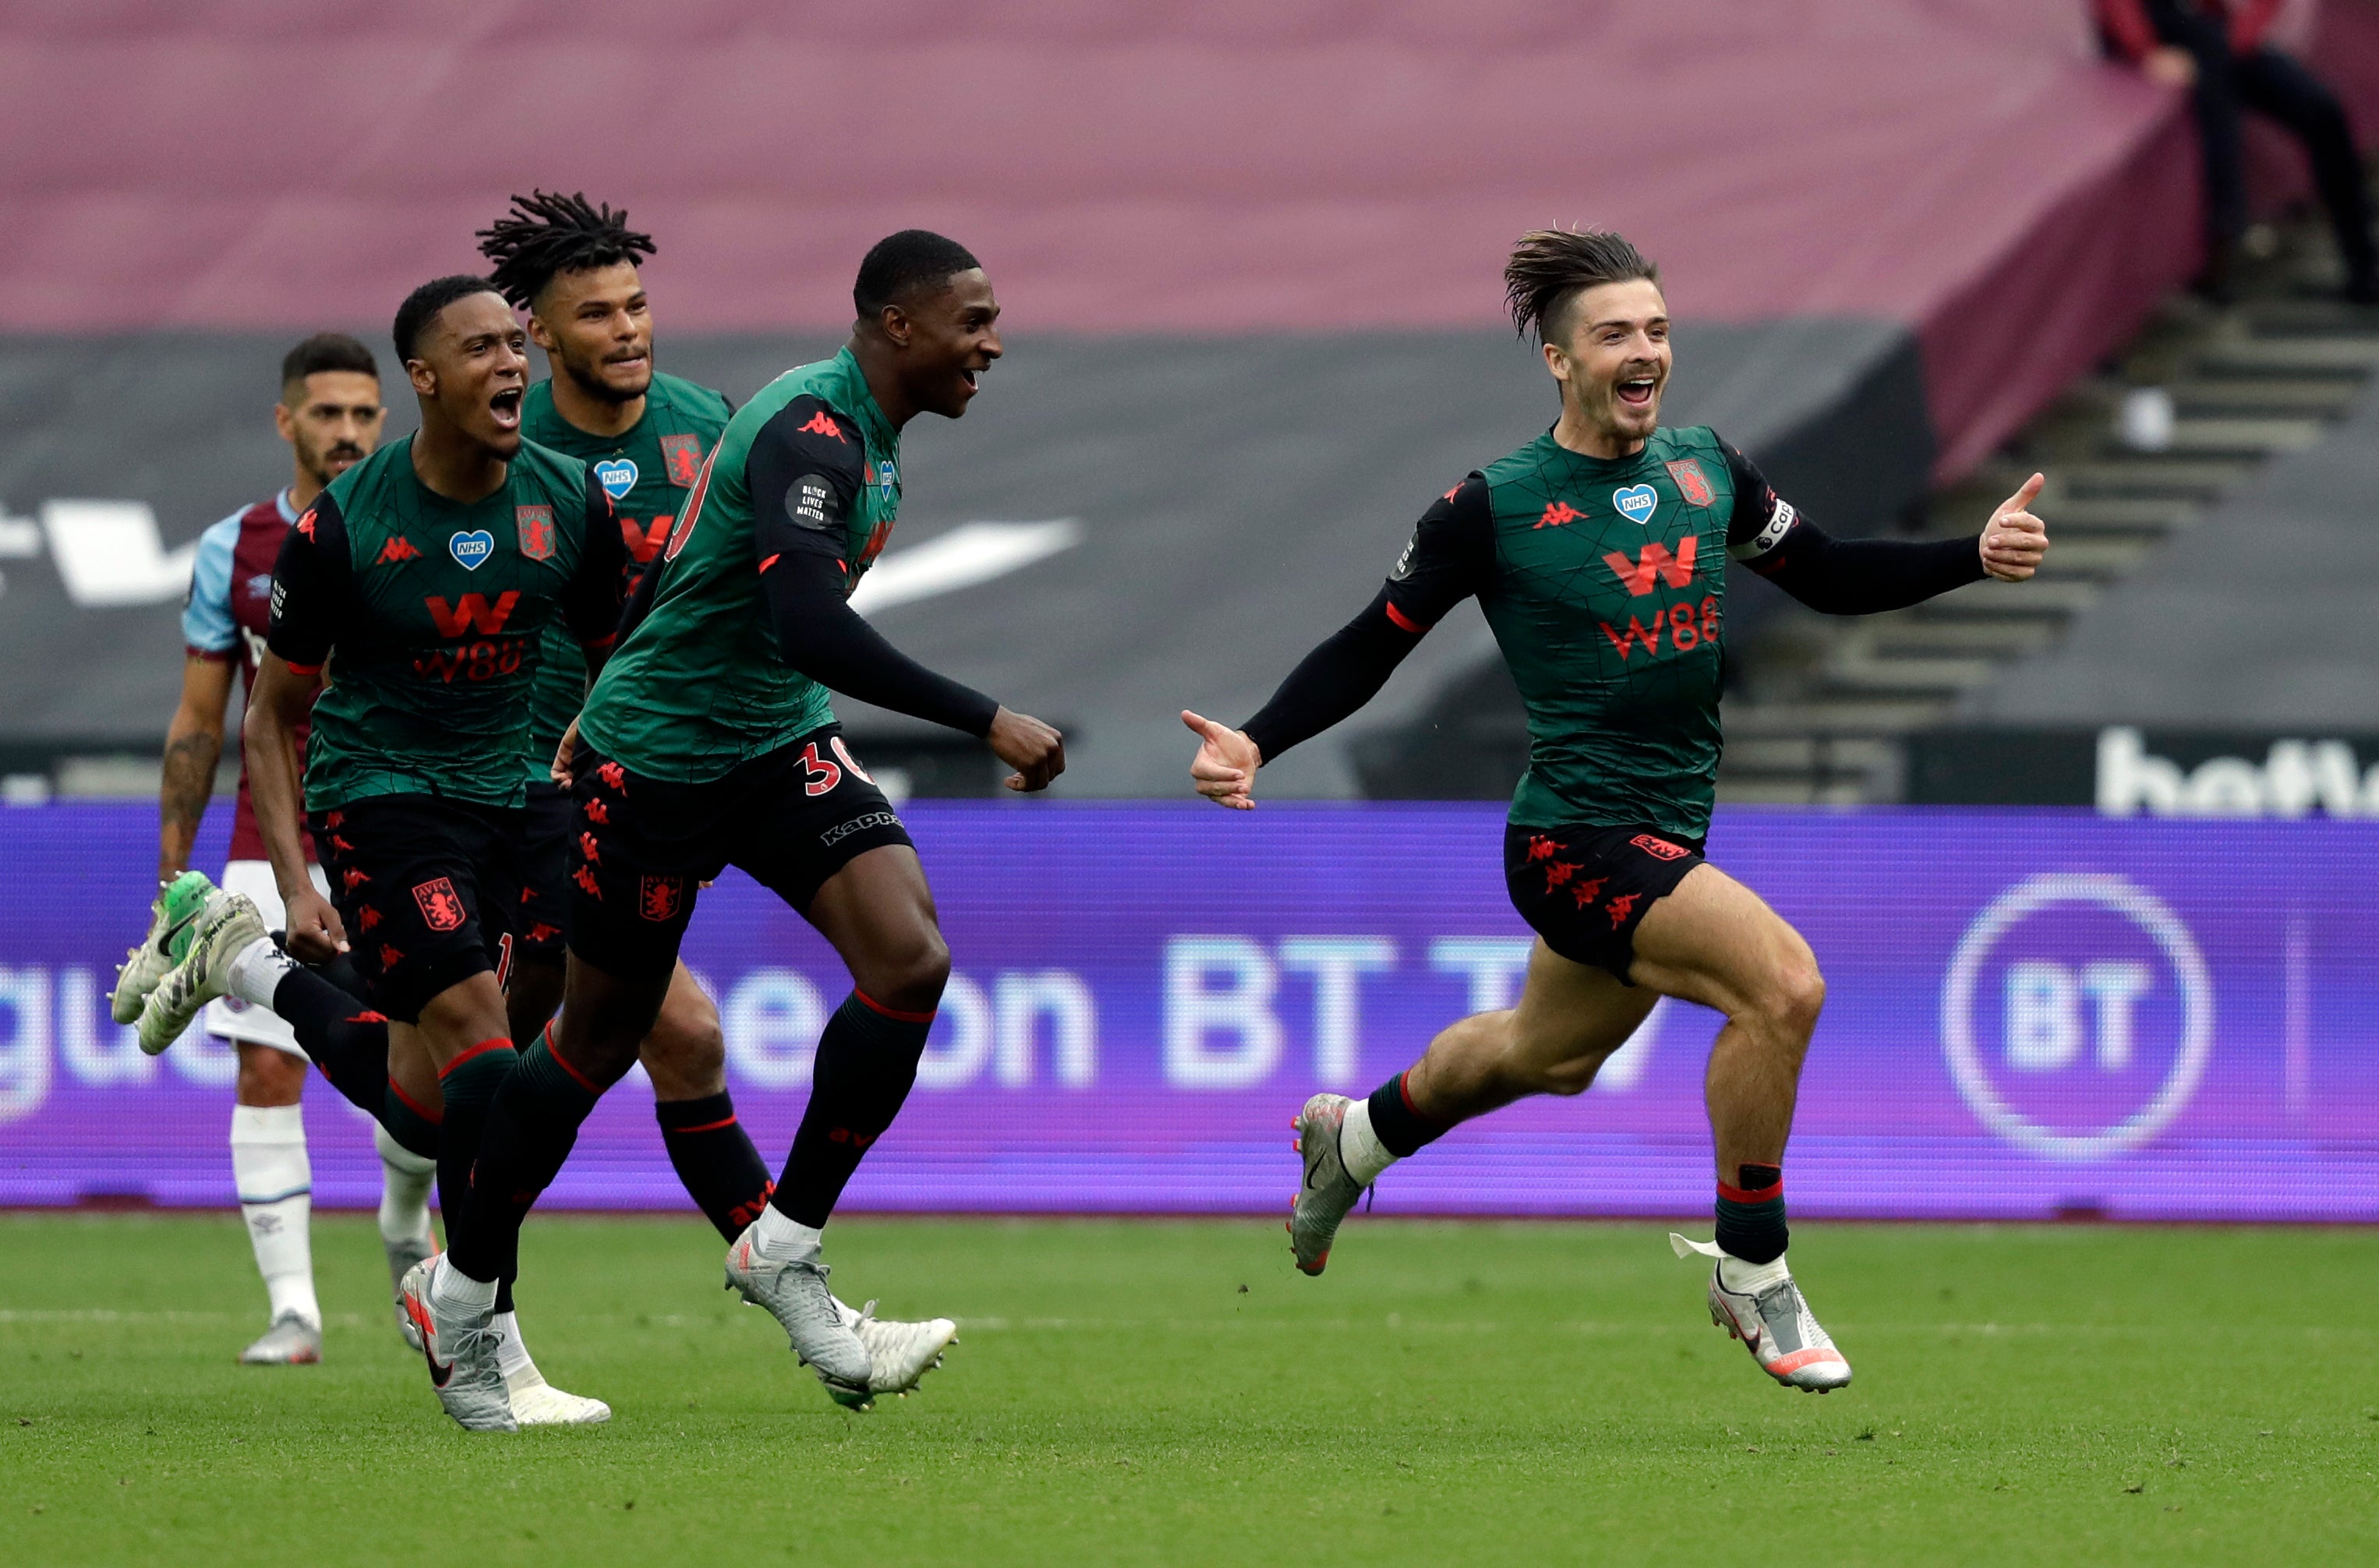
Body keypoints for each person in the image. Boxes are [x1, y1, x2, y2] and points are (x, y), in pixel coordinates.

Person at [1181, 228, 2051, 1393]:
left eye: (1657, 330)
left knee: (1548, 1056)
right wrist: (1259, 738)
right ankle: (1752, 1272)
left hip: (1665, 832)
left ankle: (1358, 1137)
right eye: (1615, 336)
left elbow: (1833, 575)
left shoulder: (1707, 470)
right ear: (1557, 360)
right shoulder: (1493, 507)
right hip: (1571, 839)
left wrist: (1972, 556)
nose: (1645, 352)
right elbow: (1369, 647)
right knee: (1783, 986)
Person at [409, 229, 1063, 1425]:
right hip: (657, 766)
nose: (993, 342)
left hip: (773, 743)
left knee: (910, 959)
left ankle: (785, 1244)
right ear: (898, 325)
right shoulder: (808, 430)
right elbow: (807, 619)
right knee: (590, 1045)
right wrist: (988, 718)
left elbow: (695, 589)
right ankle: (460, 1292)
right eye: (973, 322)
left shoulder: (849, 435)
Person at [136, 274, 628, 1431]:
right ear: (424, 378)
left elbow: (621, 655)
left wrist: (607, 772)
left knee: (433, 1100)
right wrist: (298, 876)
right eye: (481, 349)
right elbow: (269, 715)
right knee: (482, 1061)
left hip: (521, 791)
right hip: (383, 797)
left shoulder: (572, 503)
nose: (511, 365)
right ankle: (479, 1342)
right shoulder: (342, 531)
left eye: (516, 345)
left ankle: (246, 966)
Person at [110, 333, 433, 1367]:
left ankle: (403, 1227)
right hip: (271, 831)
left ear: (386, 421)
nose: (347, 431)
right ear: (286, 421)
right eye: (326, 414)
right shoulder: (234, 548)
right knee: (265, 1070)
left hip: (405, 823)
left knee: (429, 1065)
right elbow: (201, 722)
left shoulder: (425, 526)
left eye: (364, 414)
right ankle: (294, 1310)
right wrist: (175, 878)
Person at [2094, 0, 2379, 301]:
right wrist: (2145, 49)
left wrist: (2240, 37)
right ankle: (2219, 253)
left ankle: (2362, 264)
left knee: (2324, 112)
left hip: (2217, 37)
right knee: (2219, 127)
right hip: (2170, 36)